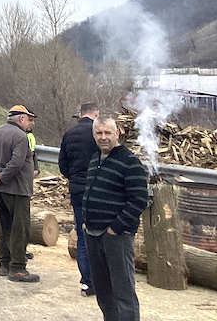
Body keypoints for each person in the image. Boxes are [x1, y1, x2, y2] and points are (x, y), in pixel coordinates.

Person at [82, 116, 148, 321]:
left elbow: (139, 200)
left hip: (116, 236)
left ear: (117, 134)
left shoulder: (129, 162)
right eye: (99, 133)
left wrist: (115, 228)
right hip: (92, 234)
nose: (103, 137)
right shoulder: (95, 159)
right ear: (93, 135)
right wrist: (86, 221)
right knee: (103, 290)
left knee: (123, 291)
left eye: (107, 133)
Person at [0, 105, 40, 283]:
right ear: (21, 119)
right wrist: (1, 177)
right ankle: (18, 269)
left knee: (4, 226)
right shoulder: (21, 137)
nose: (32, 123)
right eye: (29, 119)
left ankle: (4, 263)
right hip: (17, 189)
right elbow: (16, 163)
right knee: (20, 229)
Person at [58, 102, 101, 297]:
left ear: (80, 115)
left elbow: (62, 165)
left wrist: (74, 178)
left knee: (82, 235)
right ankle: (102, 280)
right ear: (96, 114)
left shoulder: (69, 134)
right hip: (98, 190)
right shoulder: (99, 134)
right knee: (100, 233)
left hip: (76, 190)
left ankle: (87, 282)